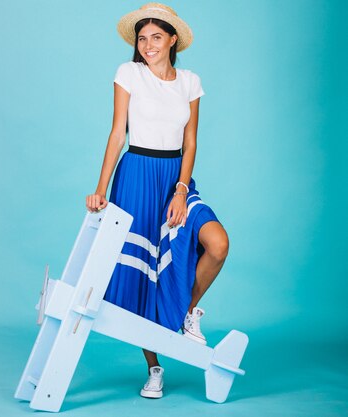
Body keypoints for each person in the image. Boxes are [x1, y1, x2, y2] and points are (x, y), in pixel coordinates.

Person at [85, 3, 229, 399]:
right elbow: (118, 134)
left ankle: (183, 312)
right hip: (135, 177)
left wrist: (182, 190)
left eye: (156, 37)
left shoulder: (190, 82)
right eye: (142, 38)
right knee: (144, 278)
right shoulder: (128, 73)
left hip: (175, 180)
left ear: (173, 40)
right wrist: (101, 188)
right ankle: (154, 369)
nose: (147, 45)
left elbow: (191, 141)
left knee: (217, 244)